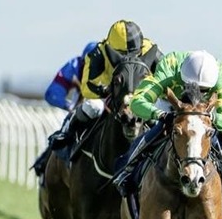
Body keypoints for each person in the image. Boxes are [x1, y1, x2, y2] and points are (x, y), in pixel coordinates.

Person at [112, 50, 222, 204]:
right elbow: (137, 103)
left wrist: (210, 117)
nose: (198, 93)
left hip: (203, 113)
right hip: (171, 106)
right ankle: (127, 169)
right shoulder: (169, 66)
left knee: (206, 134)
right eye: (193, 87)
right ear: (182, 77)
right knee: (158, 130)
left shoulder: (219, 73)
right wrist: (161, 115)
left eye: (204, 90)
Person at [48, 20, 163, 150]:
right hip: (109, 95)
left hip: (141, 96)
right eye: (124, 55)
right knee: (92, 106)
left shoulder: (150, 48)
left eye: (135, 54)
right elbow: (86, 88)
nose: (130, 59)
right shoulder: (98, 53)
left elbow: (167, 77)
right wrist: (107, 90)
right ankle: (66, 133)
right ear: (112, 48)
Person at [30, 40, 98, 177]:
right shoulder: (74, 65)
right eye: (87, 65)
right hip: (81, 111)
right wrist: (69, 106)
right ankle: (45, 163)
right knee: (65, 130)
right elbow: (52, 94)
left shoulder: (112, 66)